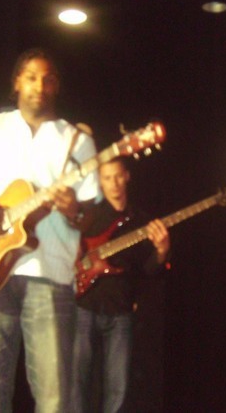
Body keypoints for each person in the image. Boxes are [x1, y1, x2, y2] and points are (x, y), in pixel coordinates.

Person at [0, 48, 100, 412]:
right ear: (16, 82)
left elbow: (88, 217)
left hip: (49, 275)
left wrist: (73, 209)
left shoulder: (77, 141)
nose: (39, 86)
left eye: (48, 79)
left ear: (57, 86)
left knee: (54, 399)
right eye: (31, 77)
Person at [72, 156, 170, 413]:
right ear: (100, 182)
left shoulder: (141, 221)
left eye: (117, 176)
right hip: (85, 305)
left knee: (119, 388)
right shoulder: (89, 217)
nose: (114, 183)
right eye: (107, 178)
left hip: (121, 311)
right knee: (77, 383)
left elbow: (148, 271)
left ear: (127, 176)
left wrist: (161, 251)